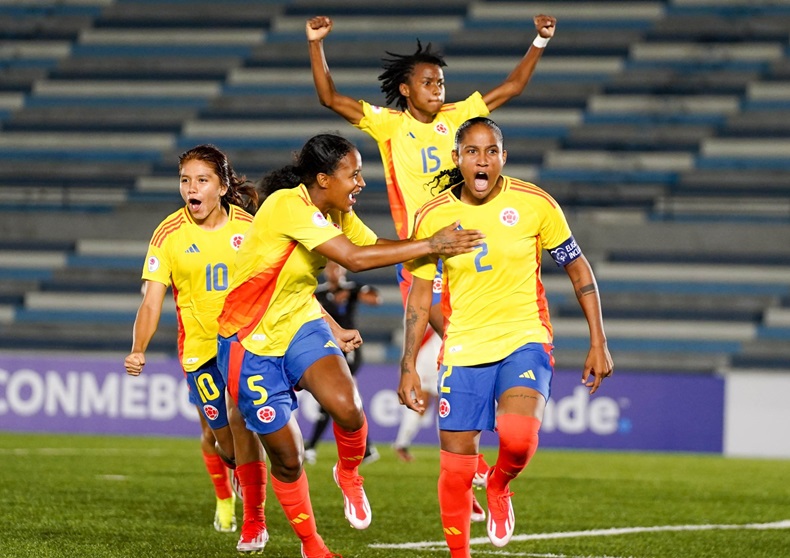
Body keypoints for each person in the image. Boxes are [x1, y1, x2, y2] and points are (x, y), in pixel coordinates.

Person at [306, 13, 556, 490]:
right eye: (427, 82)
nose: (438, 88)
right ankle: (475, 462)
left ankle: (485, 449)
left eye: (441, 81)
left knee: (470, 345)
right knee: (457, 341)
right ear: (406, 89)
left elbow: (512, 88)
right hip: (423, 253)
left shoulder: (460, 117)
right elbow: (328, 98)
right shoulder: (388, 125)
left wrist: (539, 40)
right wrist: (316, 44)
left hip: (468, 251)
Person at [215, 133, 484, 558]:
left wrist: (429, 250)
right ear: (322, 179)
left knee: (348, 406)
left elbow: (372, 246)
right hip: (248, 339)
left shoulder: (335, 212)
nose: (360, 182)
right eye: (353, 174)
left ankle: (349, 473)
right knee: (287, 458)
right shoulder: (289, 204)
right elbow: (353, 259)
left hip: (301, 322)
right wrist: (432, 245)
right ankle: (312, 544)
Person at [398, 117, 613, 558]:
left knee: (517, 440)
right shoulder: (433, 216)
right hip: (463, 347)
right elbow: (420, 296)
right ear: (457, 158)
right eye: (472, 151)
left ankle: (499, 484)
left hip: (524, 338)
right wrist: (407, 366)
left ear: (503, 157)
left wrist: (598, 340)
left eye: (491, 151)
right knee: (455, 469)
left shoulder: (536, 204)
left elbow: (578, 268)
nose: (482, 160)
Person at [123, 145, 270, 553]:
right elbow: (151, 300)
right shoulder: (168, 233)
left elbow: (274, 281)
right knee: (223, 441)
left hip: (244, 342)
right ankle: (236, 476)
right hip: (199, 351)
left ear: (222, 187)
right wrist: (138, 348)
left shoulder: (249, 226)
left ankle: (254, 522)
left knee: (241, 424)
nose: (192, 188)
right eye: (185, 180)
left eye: (202, 180)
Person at [304, 260, 382, 466]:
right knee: (345, 399)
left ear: (344, 270)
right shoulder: (317, 293)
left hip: (348, 349)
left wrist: (356, 294)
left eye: (337, 268)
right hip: (326, 347)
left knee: (333, 396)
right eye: (330, 268)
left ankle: (310, 447)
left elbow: (375, 299)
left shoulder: (353, 289)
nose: (334, 271)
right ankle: (366, 448)